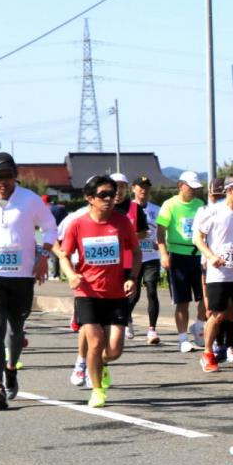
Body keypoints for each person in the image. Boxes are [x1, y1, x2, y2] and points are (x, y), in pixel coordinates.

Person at [0, 152, 58, 410]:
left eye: (7, 176)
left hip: (22, 274)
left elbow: (50, 228)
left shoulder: (30, 199)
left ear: (15, 175)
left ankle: (11, 368)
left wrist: (43, 257)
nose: (3, 182)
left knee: (16, 330)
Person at [56, 175, 141, 408]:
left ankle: (99, 364)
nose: (109, 199)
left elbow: (136, 252)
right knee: (95, 342)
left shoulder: (122, 222)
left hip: (116, 294)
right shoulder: (77, 224)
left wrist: (132, 278)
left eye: (112, 194)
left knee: (114, 350)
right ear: (89, 198)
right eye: (103, 195)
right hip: (88, 293)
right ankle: (97, 390)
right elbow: (64, 255)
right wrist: (71, 275)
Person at [194, 174, 233, 374]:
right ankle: (207, 353)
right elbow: (198, 238)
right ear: (229, 190)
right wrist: (210, 256)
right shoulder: (213, 211)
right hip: (218, 273)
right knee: (217, 315)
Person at [156, 172, 206, 353]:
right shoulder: (169, 205)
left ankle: (199, 325)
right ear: (180, 186)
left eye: (196, 188)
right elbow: (160, 232)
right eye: (190, 187)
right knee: (182, 300)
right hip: (177, 256)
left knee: (205, 297)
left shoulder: (200, 205)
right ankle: (182, 337)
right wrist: (164, 255)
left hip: (198, 255)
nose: (193, 190)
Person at [108, 173, 150, 341]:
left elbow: (144, 232)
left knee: (132, 293)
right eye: (115, 187)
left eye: (122, 187)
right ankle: (120, 320)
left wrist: (127, 238)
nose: (118, 191)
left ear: (127, 189)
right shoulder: (104, 206)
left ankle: (126, 317)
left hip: (130, 258)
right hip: (109, 260)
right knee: (112, 292)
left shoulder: (134, 208)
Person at [130, 176, 163, 344]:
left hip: (151, 256)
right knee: (133, 293)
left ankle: (152, 329)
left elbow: (162, 231)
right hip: (134, 257)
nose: (144, 190)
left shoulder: (156, 210)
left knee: (151, 291)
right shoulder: (127, 208)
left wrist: (160, 243)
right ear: (133, 188)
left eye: (147, 187)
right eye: (140, 186)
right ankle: (127, 320)